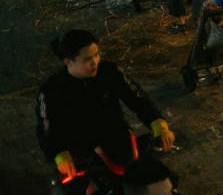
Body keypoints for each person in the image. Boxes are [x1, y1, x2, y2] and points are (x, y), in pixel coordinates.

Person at [36, 30, 175, 192]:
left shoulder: (111, 72)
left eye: (96, 55)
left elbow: (140, 101)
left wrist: (159, 125)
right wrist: (61, 156)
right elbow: (46, 131)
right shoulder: (51, 90)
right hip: (82, 154)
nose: (95, 62)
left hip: (120, 143)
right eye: (87, 59)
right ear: (68, 61)